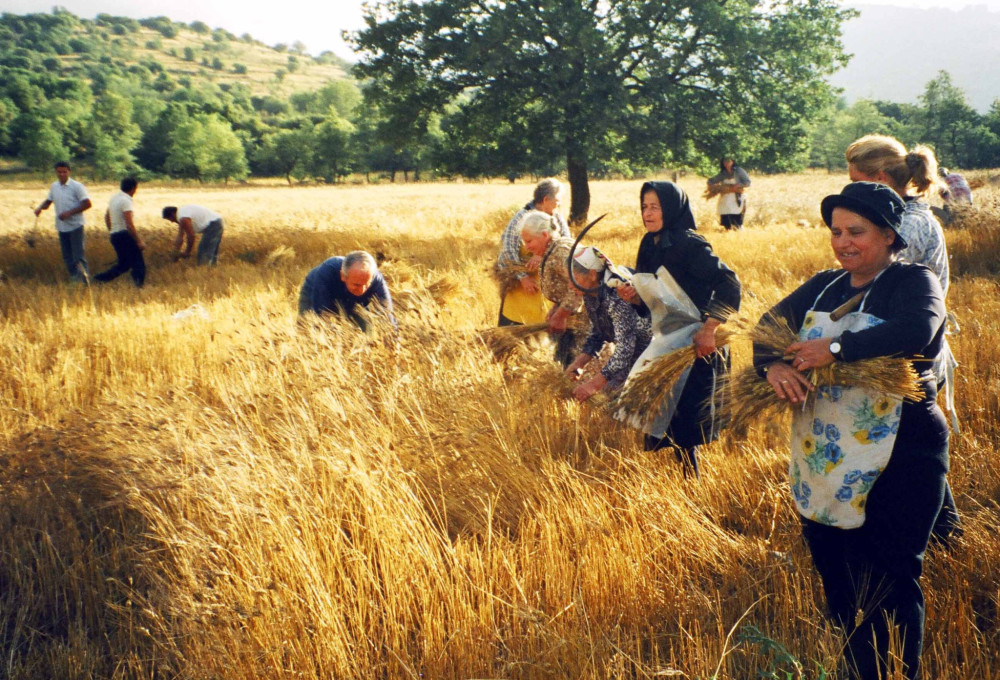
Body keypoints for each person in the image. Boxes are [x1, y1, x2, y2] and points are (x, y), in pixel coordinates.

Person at [753, 182, 948, 680]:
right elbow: (765, 327)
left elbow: (916, 329)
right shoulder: (824, 286)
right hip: (827, 454)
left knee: (891, 575)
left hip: (903, 449)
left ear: (887, 235)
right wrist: (774, 366)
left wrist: (835, 351)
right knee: (838, 574)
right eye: (836, 231)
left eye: (856, 231)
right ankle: (852, 664)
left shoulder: (911, 281)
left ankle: (892, 671)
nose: (843, 242)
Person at [845, 134, 960, 542]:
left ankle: (942, 533)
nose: (850, 188)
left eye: (856, 180)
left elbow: (875, 283)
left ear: (880, 178)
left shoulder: (907, 224)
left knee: (911, 452)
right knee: (904, 451)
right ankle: (942, 532)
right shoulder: (900, 216)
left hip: (913, 353)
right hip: (894, 348)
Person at [617, 181, 741, 477]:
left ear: (671, 208)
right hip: (669, 340)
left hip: (696, 343)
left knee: (686, 427)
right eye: (644, 206)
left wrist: (709, 329)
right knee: (669, 421)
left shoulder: (689, 244)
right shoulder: (649, 244)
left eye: (655, 206)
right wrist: (635, 297)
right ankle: (688, 480)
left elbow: (729, 284)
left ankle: (694, 484)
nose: (647, 213)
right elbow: (653, 298)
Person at [564, 247, 651, 402]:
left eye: (574, 278)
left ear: (592, 274)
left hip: (649, 355)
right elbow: (599, 332)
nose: (570, 285)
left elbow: (625, 349)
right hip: (633, 355)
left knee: (619, 403)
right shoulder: (590, 293)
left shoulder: (617, 295)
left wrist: (593, 385)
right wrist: (579, 363)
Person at [495, 178, 571, 326]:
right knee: (513, 332)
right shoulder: (520, 218)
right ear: (546, 199)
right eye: (558, 200)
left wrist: (542, 255)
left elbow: (566, 244)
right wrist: (523, 277)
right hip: (521, 288)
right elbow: (507, 252)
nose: (559, 204)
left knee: (545, 330)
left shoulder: (557, 219)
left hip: (548, 285)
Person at [520, 210, 589, 367]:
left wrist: (560, 316)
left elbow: (581, 284)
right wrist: (557, 309)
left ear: (544, 235)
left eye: (529, 241)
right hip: (572, 324)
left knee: (576, 372)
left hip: (586, 327)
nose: (527, 247)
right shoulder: (551, 251)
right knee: (562, 369)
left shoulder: (561, 252)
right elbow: (566, 287)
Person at [298, 251, 397, 332]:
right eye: (357, 284)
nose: (362, 290)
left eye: (366, 284)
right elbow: (321, 316)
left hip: (356, 302)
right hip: (316, 290)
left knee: (366, 332)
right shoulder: (326, 273)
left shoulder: (377, 279)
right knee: (309, 329)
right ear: (343, 276)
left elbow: (387, 317)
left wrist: (394, 346)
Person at [33, 161, 93, 283]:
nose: (61, 174)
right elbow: (49, 201)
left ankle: (85, 280)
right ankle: (74, 279)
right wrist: (40, 207)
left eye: (64, 172)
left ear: (69, 172)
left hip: (75, 225)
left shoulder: (77, 186)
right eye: (59, 172)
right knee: (67, 256)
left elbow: (87, 203)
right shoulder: (54, 186)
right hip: (61, 226)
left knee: (78, 255)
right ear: (56, 172)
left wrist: (69, 213)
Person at [95, 177, 146, 287]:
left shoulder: (114, 198)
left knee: (124, 264)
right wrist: (139, 241)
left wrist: (112, 230)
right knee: (138, 264)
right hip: (125, 235)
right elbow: (129, 224)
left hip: (115, 235)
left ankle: (98, 279)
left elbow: (106, 216)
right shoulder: (126, 201)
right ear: (134, 188)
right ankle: (138, 287)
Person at [706, 157, 751, 230]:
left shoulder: (739, 171)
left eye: (728, 161)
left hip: (737, 198)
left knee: (736, 220)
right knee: (726, 220)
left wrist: (739, 185)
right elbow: (711, 181)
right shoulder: (723, 174)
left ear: (732, 162)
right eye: (725, 162)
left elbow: (748, 183)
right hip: (725, 199)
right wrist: (712, 186)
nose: (726, 164)